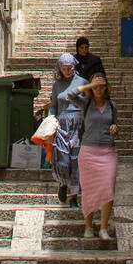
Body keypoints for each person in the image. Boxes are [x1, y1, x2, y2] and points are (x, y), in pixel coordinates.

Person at [74, 72, 118, 242]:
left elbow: (114, 123)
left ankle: (103, 228)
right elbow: (70, 94)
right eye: (96, 86)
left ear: (106, 87)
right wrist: (89, 86)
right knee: (88, 189)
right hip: (88, 152)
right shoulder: (85, 103)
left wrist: (115, 128)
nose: (99, 89)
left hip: (108, 151)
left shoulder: (112, 106)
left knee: (108, 187)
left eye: (101, 85)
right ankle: (88, 226)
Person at [47, 52, 88, 207]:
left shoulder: (82, 82)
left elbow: (87, 104)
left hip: (78, 126)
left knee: (76, 161)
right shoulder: (57, 85)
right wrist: (50, 121)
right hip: (61, 125)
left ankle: (74, 197)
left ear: (74, 66)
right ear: (59, 68)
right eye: (64, 69)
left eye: (70, 68)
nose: (67, 71)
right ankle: (63, 184)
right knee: (63, 160)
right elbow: (53, 106)